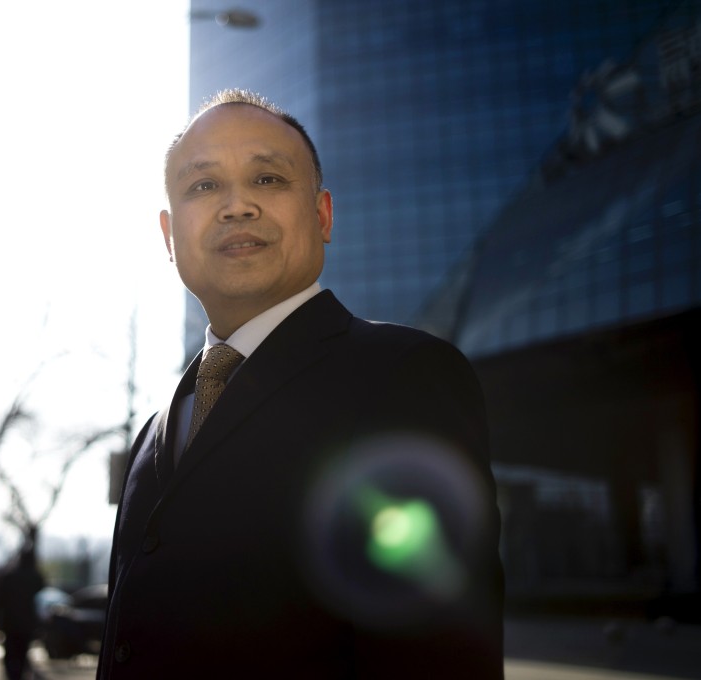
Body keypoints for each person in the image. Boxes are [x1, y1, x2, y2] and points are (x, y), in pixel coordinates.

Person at [96, 90, 504, 679]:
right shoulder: (155, 430)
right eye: (203, 186)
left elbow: (439, 651)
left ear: (322, 215)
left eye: (267, 178)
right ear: (168, 235)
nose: (236, 205)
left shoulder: (404, 375)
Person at [0, 548, 46, 680]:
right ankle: (19, 675)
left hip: (10, 624)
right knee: (22, 653)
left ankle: (12, 675)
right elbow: (43, 602)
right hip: (28, 625)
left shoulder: (9, 578)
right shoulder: (37, 579)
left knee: (11, 655)